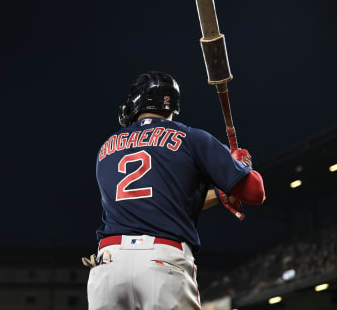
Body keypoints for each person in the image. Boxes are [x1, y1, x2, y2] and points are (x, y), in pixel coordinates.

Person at [83, 71, 265, 309]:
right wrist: (240, 167)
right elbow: (254, 193)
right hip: (162, 259)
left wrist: (221, 195)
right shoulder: (191, 138)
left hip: (108, 263)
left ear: (137, 101)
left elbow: (161, 200)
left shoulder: (106, 148)